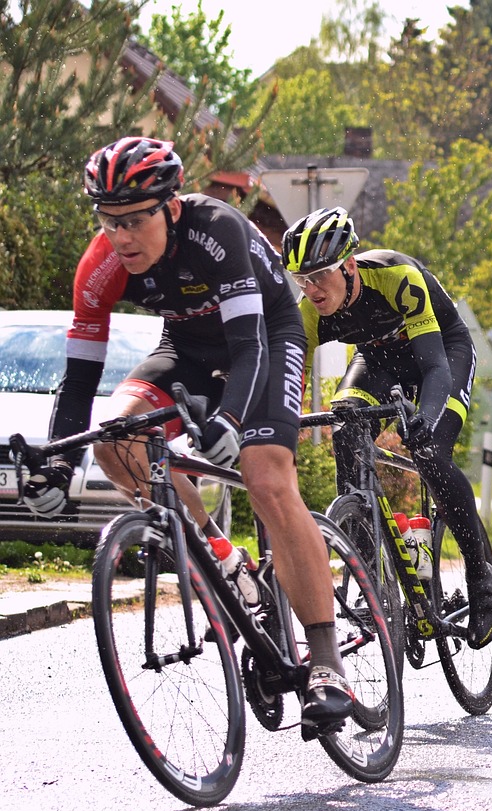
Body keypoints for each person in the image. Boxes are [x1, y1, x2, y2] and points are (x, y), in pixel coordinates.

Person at [23, 137, 353, 729]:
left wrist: (228, 419)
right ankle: (223, 559)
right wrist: (56, 468)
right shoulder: (99, 267)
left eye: (133, 220)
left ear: (169, 207)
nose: (120, 237)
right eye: (108, 220)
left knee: (265, 478)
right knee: (115, 438)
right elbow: (79, 381)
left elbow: (250, 344)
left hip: (267, 340)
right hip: (187, 348)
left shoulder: (216, 229)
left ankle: (326, 661)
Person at [282, 207, 492, 649]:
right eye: (300, 279)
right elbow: (289, 374)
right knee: (345, 417)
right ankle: (367, 567)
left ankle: (481, 578)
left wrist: (427, 416)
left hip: (442, 351)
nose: (311, 288)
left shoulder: (395, 276)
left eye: (320, 275)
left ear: (348, 264)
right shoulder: (311, 311)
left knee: (429, 453)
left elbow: (436, 366)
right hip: (379, 359)